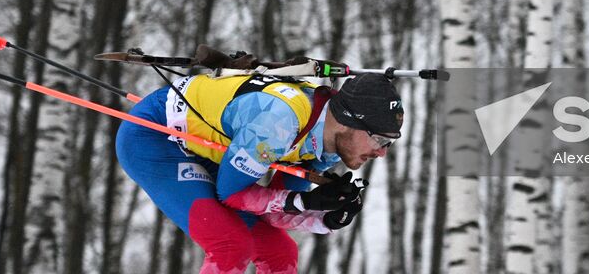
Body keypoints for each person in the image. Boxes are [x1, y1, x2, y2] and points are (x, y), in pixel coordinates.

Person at [116, 70, 403, 274]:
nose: (382, 152)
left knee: (281, 254)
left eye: (388, 142)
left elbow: (273, 212)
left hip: (206, 151)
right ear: (349, 121)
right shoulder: (278, 123)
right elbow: (234, 194)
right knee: (231, 246)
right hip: (154, 139)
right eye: (379, 139)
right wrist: (304, 203)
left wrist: (324, 216)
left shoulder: (327, 143)